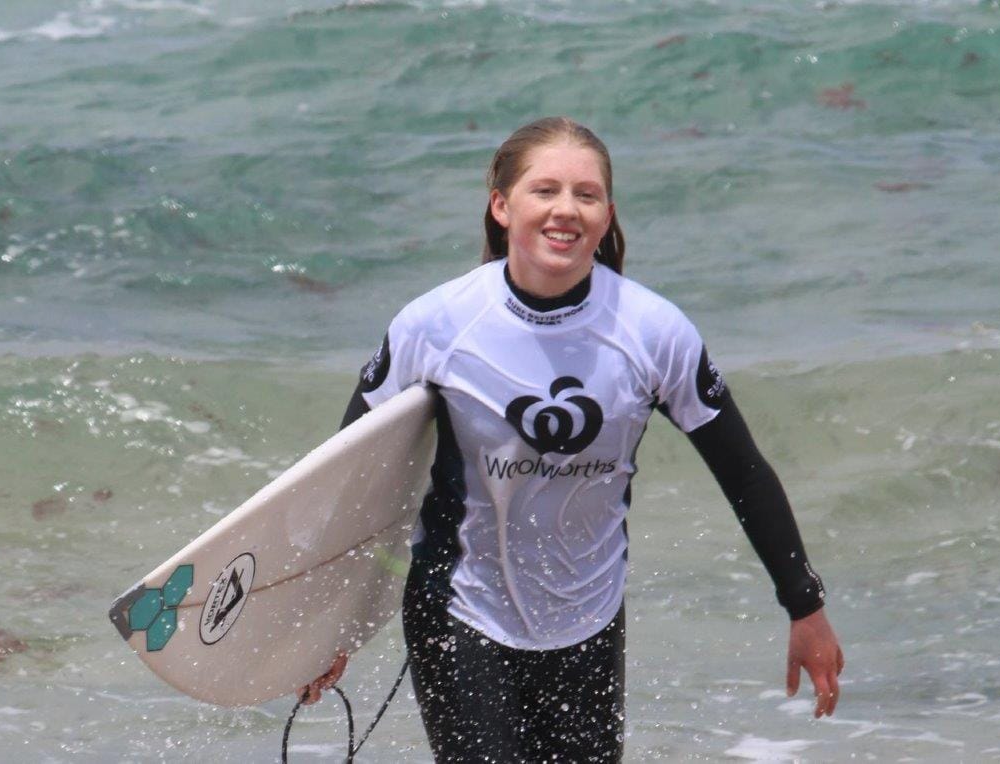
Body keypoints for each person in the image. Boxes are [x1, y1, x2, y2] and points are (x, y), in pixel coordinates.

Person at [300, 117, 844, 762]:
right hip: (460, 609)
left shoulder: (651, 331)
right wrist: (325, 626)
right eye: (545, 190)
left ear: (607, 213)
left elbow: (743, 471)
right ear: (502, 206)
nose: (566, 210)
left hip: (588, 618)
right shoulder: (438, 324)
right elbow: (345, 474)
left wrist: (804, 607)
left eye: (586, 195)